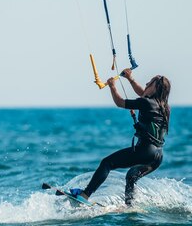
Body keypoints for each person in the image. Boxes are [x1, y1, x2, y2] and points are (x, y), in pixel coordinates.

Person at [70, 69, 171, 206]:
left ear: (156, 88)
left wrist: (112, 86)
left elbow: (119, 102)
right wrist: (130, 79)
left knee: (107, 163)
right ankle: (130, 206)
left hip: (146, 151)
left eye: (150, 82)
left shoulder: (146, 103)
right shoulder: (163, 106)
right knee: (131, 176)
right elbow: (143, 92)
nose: (147, 83)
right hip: (157, 156)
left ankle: (85, 195)